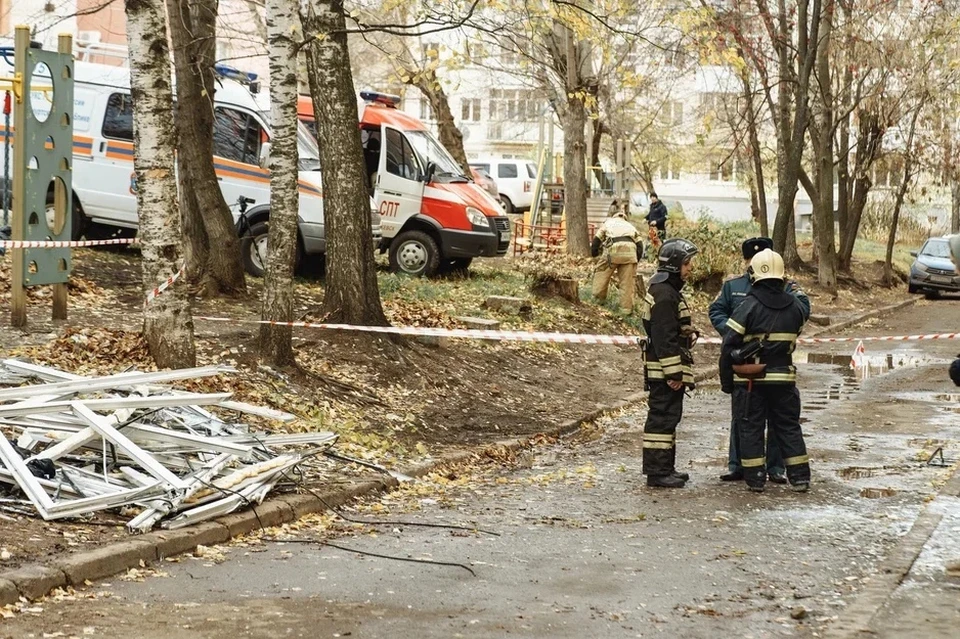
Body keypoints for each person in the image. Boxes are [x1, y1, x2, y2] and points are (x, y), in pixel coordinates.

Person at [709, 237, 810, 484]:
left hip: (752, 379)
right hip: (784, 377)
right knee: (788, 427)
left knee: (750, 427)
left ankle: (755, 479)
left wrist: (727, 381)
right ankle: (800, 478)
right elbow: (796, 328)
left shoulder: (749, 305)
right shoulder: (796, 305)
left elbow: (729, 343)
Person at [641, 238, 700, 488]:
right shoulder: (665, 294)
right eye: (687, 263)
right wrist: (674, 374)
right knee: (662, 418)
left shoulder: (667, 290)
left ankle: (666, 467)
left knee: (669, 418)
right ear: (675, 265)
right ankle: (657, 472)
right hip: (664, 370)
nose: (690, 268)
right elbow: (664, 338)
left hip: (663, 368)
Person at [591, 209, 644, 312]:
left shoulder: (608, 222)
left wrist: (594, 253)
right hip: (630, 253)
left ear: (614, 217)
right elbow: (640, 245)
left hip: (613, 251)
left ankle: (598, 301)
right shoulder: (630, 226)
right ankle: (626, 310)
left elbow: (597, 239)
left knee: (601, 274)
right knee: (627, 283)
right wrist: (636, 259)